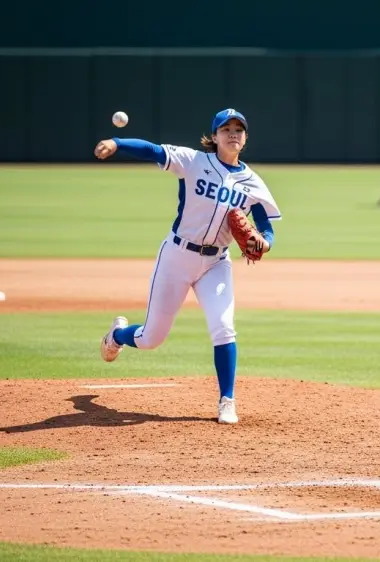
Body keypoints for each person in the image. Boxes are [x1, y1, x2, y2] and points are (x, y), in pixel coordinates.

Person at [92, 108, 282, 425]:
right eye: (226, 129)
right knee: (151, 338)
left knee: (224, 327)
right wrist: (116, 142)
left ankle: (227, 401)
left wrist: (265, 242)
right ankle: (117, 335)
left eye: (239, 129)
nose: (233, 133)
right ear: (215, 136)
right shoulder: (194, 162)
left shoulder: (254, 184)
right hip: (177, 257)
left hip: (216, 263)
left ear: (245, 137)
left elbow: (267, 229)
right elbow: (153, 150)